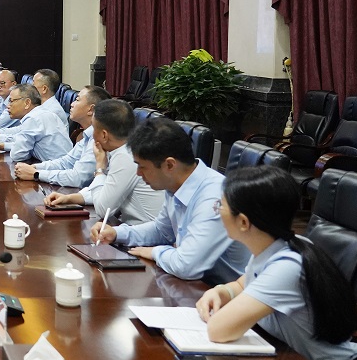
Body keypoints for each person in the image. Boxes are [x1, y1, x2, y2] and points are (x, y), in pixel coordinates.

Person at [197, 166, 357, 360]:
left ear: (244, 222)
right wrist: (221, 291)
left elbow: (219, 330)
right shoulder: (274, 247)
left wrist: (223, 311)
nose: (217, 211)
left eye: (220, 206)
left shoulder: (287, 266)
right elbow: (243, 285)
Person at [91, 117, 249, 284]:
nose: (138, 173)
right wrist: (117, 233)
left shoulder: (214, 197)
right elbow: (161, 231)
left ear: (170, 165)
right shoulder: (175, 185)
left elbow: (186, 265)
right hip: (199, 286)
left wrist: (155, 252)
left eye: (142, 166)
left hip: (228, 291)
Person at [43, 99, 163, 223]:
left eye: (93, 128)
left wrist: (100, 168)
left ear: (104, 135)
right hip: (128, 226)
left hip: (143, 232)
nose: (91, 133)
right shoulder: (122, 150)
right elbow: (106, 192)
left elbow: (103, 209)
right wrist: (70, 198)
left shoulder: (125, 157)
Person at [15, 85, 111, 186]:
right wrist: (34, 167)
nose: (72, 104)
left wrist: (36, 174)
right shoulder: (87, 136)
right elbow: (66, 162)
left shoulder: (99, 140)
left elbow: (78, 178)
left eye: (77, 100)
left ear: (91, 109)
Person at [0, 83, 71, 163]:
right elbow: (20, 138)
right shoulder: (40, 113)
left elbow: (17, 155)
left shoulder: (33, 118)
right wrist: (2, 145)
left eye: (11, 101)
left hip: (58, 169)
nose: (8, 106)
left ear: (27, 103)